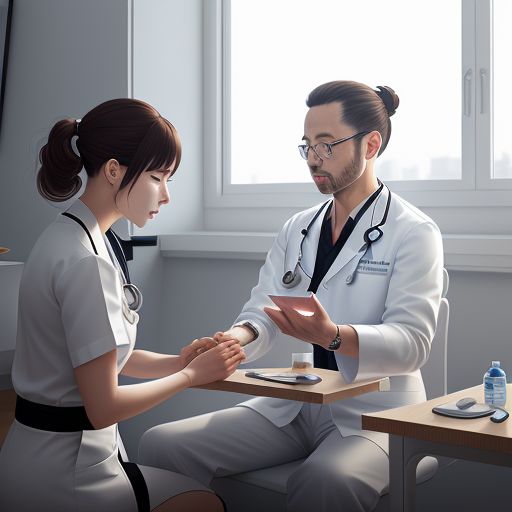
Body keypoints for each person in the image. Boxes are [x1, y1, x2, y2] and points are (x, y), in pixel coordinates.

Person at [138, 81, 444, 512]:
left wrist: (333, 335)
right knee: (163, 444)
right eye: (307, 146)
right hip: (298, 404)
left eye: (327, 145)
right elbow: (262, 310)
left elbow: (413, 344)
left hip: (376, 415)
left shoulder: (414, 232)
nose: (314, 160)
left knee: (324, 479)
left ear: (371, 144)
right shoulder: (299, 228)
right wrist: (234, 339)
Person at [0, 98, 245, 512]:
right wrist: (190, 377)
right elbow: (104, 406)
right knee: (207, 503)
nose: (166, 195)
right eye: (157, 177)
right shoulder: (87, 262)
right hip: (69, 479)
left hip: (28, 459)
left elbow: (99, 359)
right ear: (113, 170)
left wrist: (180, 361)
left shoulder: (68, 237)